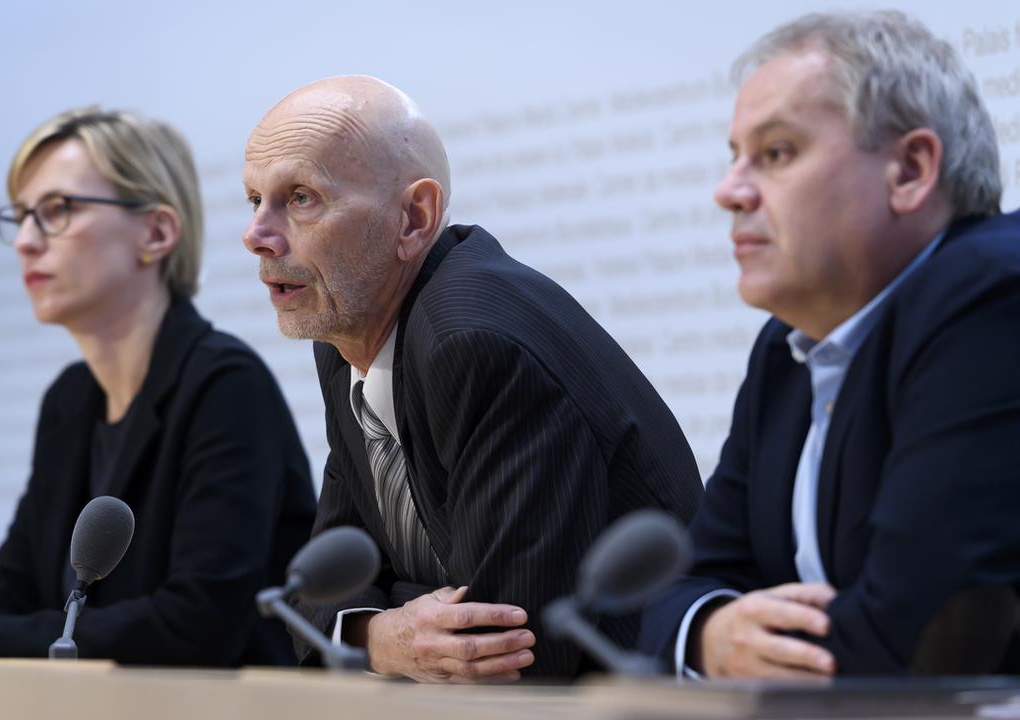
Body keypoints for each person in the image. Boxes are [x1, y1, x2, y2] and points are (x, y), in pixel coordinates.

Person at [241, 75, 703, 681]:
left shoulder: (476, 343)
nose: (256, 236)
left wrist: (387, 614)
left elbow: (504, 644)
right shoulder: (345, 336)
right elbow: (325, 579)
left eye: (301, 197)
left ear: (414, 217)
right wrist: (378, 634)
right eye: (255, 200)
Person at [0, 107, 317, 665]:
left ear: (156, 232)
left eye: (56, 211)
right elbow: (17, 592)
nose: (25, 240)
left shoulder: (225, 386)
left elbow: (197, 623)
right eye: (22, 216)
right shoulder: (70, 400)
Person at [639, 10, 1020, 677]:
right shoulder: (786, 350)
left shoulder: (990, 295)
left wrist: (745, 648)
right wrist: (712, 633)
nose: (728, 190)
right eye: (734, 157)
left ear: (909, 170)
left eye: (777, 152)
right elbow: (677, 593)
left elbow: (925, 635)